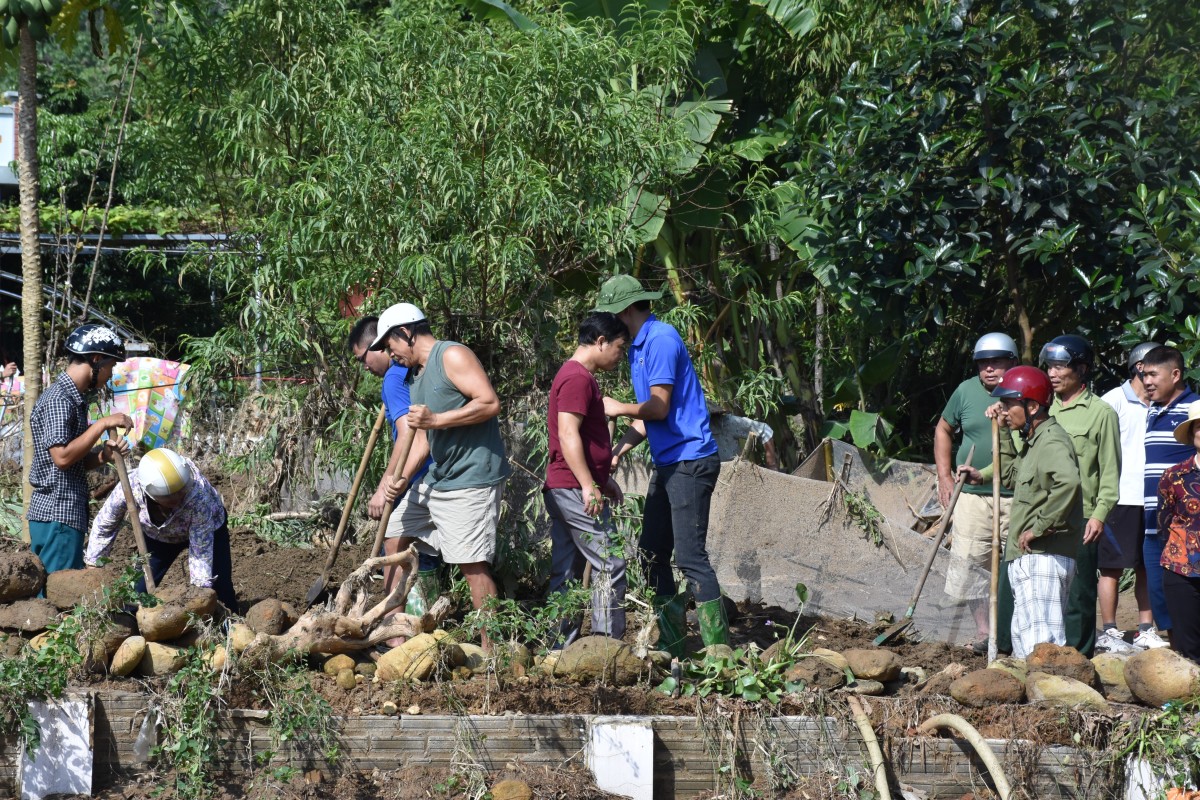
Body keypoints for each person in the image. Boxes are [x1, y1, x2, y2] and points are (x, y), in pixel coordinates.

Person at [597, 274, 727, 655]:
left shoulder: (661, 339)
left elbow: (659, 406)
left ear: (625, 310)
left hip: (690, 461)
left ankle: (718, 653)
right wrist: (621, 448)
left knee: (689, 557)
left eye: (609, 314)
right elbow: (649, 416)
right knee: (652, 552)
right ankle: (675, 643)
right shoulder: (638, 347)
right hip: (669, 463)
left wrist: (616, 407)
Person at [370, 302, 510, 649]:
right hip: (439, 479)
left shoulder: (452, 356)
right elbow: (423, 439)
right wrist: (402, 476)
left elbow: (490, 403)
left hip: (471, 477)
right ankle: (395, 641)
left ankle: (494, 657)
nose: (390, 354)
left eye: (390, 345)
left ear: (407, 333)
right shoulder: (415, 376)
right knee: (395, 534)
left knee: (471, 565)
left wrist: (436, 420)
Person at [961, 366, 1084, 659]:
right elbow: (1011, 475)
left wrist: (1040, 527)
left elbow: (1068, 483)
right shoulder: (1034, 443)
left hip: (1043, 555)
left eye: (1008, 404)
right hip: (1030, 557)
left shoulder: (1051, 440)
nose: (1002, 409)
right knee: (1025, 643)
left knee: (1042, 646)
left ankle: (1052, 701)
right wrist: (1002, 430)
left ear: (1031, 405)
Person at [347, 315, 439, 630]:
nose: (364, 366)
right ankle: (419, 624)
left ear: (381, 345)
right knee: (418, 553)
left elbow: (406, 433)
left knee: (394, 546)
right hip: (435, 470)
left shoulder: (393, 378)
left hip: (420, 474)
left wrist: (385, 486)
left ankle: (392, 632)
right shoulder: (410, 371)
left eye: (363, 358)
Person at [543, 312, 630, 645]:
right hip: (570, 486)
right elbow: (567, 434)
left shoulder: (575, 375)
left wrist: (599, 478)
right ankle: (606, 647)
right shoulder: (578, 378)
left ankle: (558, 647)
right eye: (619, 347)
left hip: (565, 484)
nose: (620, 356)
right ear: (601, 341)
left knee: (567, 570)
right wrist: (587, 484)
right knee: (610, 561)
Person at [935, 332, 1019, 653]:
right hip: (970, 495)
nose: (989, 369)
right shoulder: (965, 391)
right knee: (971, 564)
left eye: (996, 361)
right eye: (983, 363)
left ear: (1012, 361)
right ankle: (985, 632)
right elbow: (943, 428)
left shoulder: (1022, 389)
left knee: (1015, 564)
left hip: (1015, 494)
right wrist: (944, 475)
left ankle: (1013, 632)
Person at [1038, 335, 1120, 658]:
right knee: (1045, 591)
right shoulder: (1041, 409)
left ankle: (1079, 660)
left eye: (1061, 366)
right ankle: (1048, 657)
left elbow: (1110, 474)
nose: (1053, 373)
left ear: (1082, 369)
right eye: (1050, 367)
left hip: (1083, 516)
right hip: (1044, 515)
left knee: (1080, 594)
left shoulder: (1101, 413)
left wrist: (1099, 514)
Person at [27, 324, 132, 575]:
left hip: (64, 514)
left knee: (59, 596)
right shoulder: (60, 399)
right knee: (58, 598)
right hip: (57, 514)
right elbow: (62, 457)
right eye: (110, 366)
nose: (110, 374)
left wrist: (103, 455)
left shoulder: (73, 399)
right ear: (96, 360)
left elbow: (75, 460)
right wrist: (103, 424)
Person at [85, 447, 237, 609]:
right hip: (157, 536)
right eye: (171, 497)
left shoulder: (198, 497)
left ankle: (228, 625)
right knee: (135, 593)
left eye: (181, 492)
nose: (179, 498)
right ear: (152, 494)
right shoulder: (130, 487)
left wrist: (200, 597)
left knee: (219, 587)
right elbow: (105, 523)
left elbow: (201, 552)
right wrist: (94, 562)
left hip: (209, 529)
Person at [1099, 342, 1162, 651]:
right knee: (1111, 566)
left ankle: (1145, 629)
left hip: (1154, 498)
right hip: (1119, 496)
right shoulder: (1112, 401)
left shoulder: (1164, 403)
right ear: (1140, 368)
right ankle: (1109, 630)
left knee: (1147, 565)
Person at [1141, 345, 1199, 647]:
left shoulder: (1194, 410)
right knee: (1164, 600)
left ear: (1175, 375)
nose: (1147, 381)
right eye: (1144, 375)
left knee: (1189, 603)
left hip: (1187, 528)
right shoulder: (1153, 410)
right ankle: (1183, 668)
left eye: (1153, 374)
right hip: (1154, 524)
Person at [1158, 402, 1200, 663]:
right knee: (1189, 649)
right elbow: (1164, 521)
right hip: (1182, 571)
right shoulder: (1174, 476)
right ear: (1193, 432)